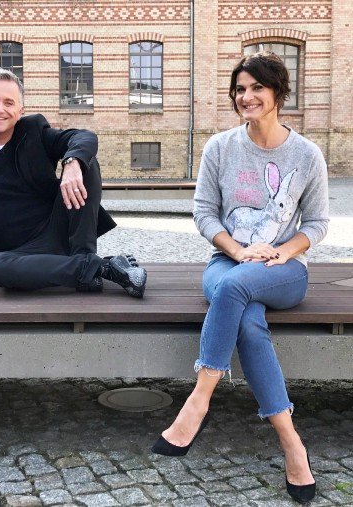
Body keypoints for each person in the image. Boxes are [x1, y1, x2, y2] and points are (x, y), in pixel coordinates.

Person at [151, 51, 328, 504]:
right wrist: (238, 250)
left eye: (257, 88)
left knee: (236, 289)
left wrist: (281, 252)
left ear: (279, 93)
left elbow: (317, 224)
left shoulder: (306, 155)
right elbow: (204, 213)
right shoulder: (220, 148)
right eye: (240, 89)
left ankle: (199, 400)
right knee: (245, 316)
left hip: (284, 272)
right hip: (227, 263)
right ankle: (291, 442)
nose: (246, 97)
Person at [0, 68, 147, 297]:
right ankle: (97, 268)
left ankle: (84, 259)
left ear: (20, 111)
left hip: (59, 231)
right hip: (15, 256)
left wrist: (72, 162)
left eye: (8, 102)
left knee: (86, 161)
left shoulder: (34, 131)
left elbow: (84, 137)